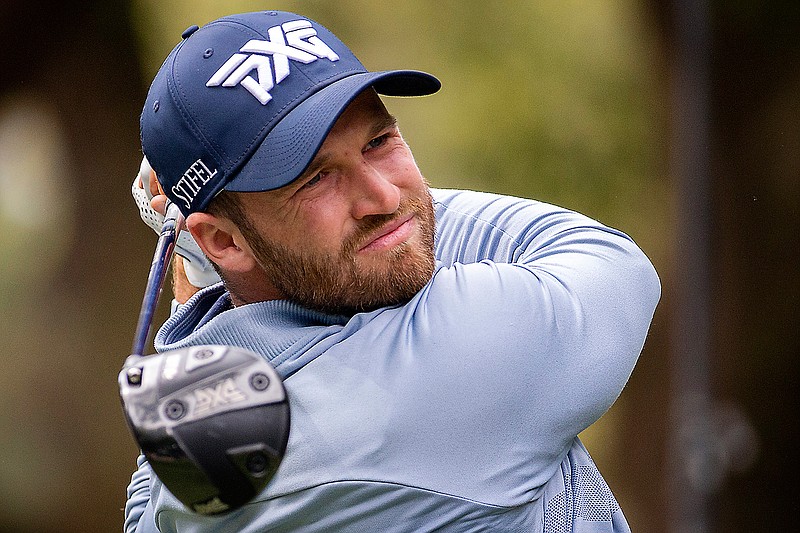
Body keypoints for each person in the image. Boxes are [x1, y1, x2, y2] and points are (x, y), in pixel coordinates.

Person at [124, 10, 660, 533]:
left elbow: (143, 505)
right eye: (315, 180)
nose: (382, 195)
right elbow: (609, 263)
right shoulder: (453, 363)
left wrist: (205, 260)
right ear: (223, 241)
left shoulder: (191, 465)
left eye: (378, 143)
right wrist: (403, 219)